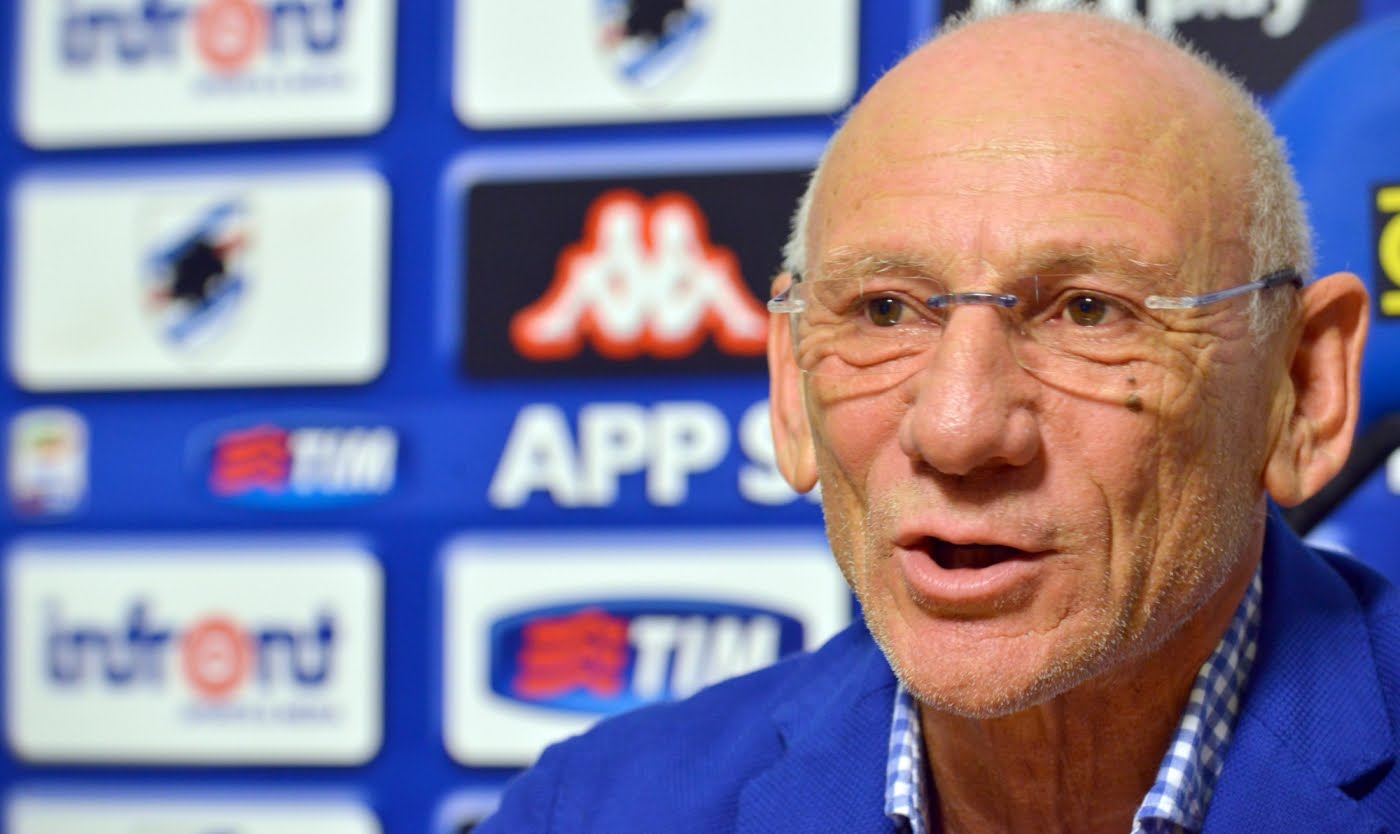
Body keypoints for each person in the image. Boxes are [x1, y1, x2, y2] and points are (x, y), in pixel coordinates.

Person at [478, 5, 1397, 832]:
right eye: (885, 311)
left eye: (1088, 311)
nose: (957, 430)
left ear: (1302, 390)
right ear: (792, 389)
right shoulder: (592, 812)